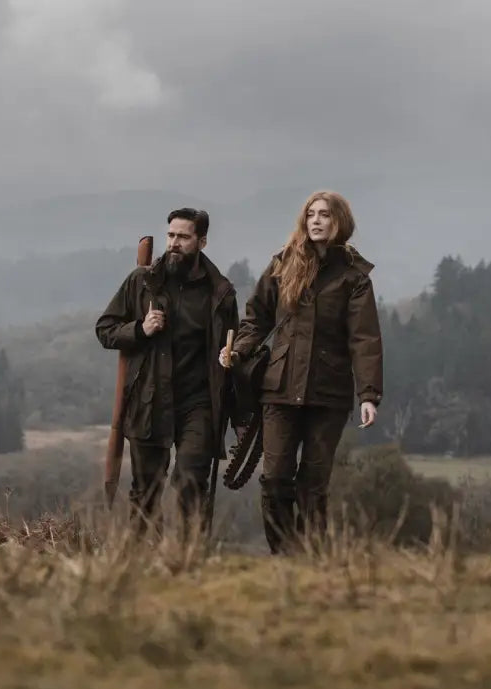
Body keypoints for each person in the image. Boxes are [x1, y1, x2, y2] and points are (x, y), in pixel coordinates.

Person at [220, 191, 382, 553]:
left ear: (340, 222)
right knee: (275, 479)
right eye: (311, 214)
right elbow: (256, 318)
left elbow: (364, 338)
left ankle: (310, 557)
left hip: (329, 394)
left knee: (313, 482)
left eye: (325, 214)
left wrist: (369, 395)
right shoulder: (283, 264)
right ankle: (284, 554)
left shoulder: (355, 277)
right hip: (279, 389)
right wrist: (239, 349)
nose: (316, 221)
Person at [96, 208, 240, 539]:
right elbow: (105, 329)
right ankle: (145, 562)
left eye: (183, 237)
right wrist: (139, 329)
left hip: (198, 402)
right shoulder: (142, 281)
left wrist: (233, 355)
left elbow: (236, 346)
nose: (174, 244)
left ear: (201, 241)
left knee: (191, 481)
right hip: (150, 398)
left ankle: (189, 558)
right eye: (171, 236)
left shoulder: (220, 292)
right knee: (146, 491)